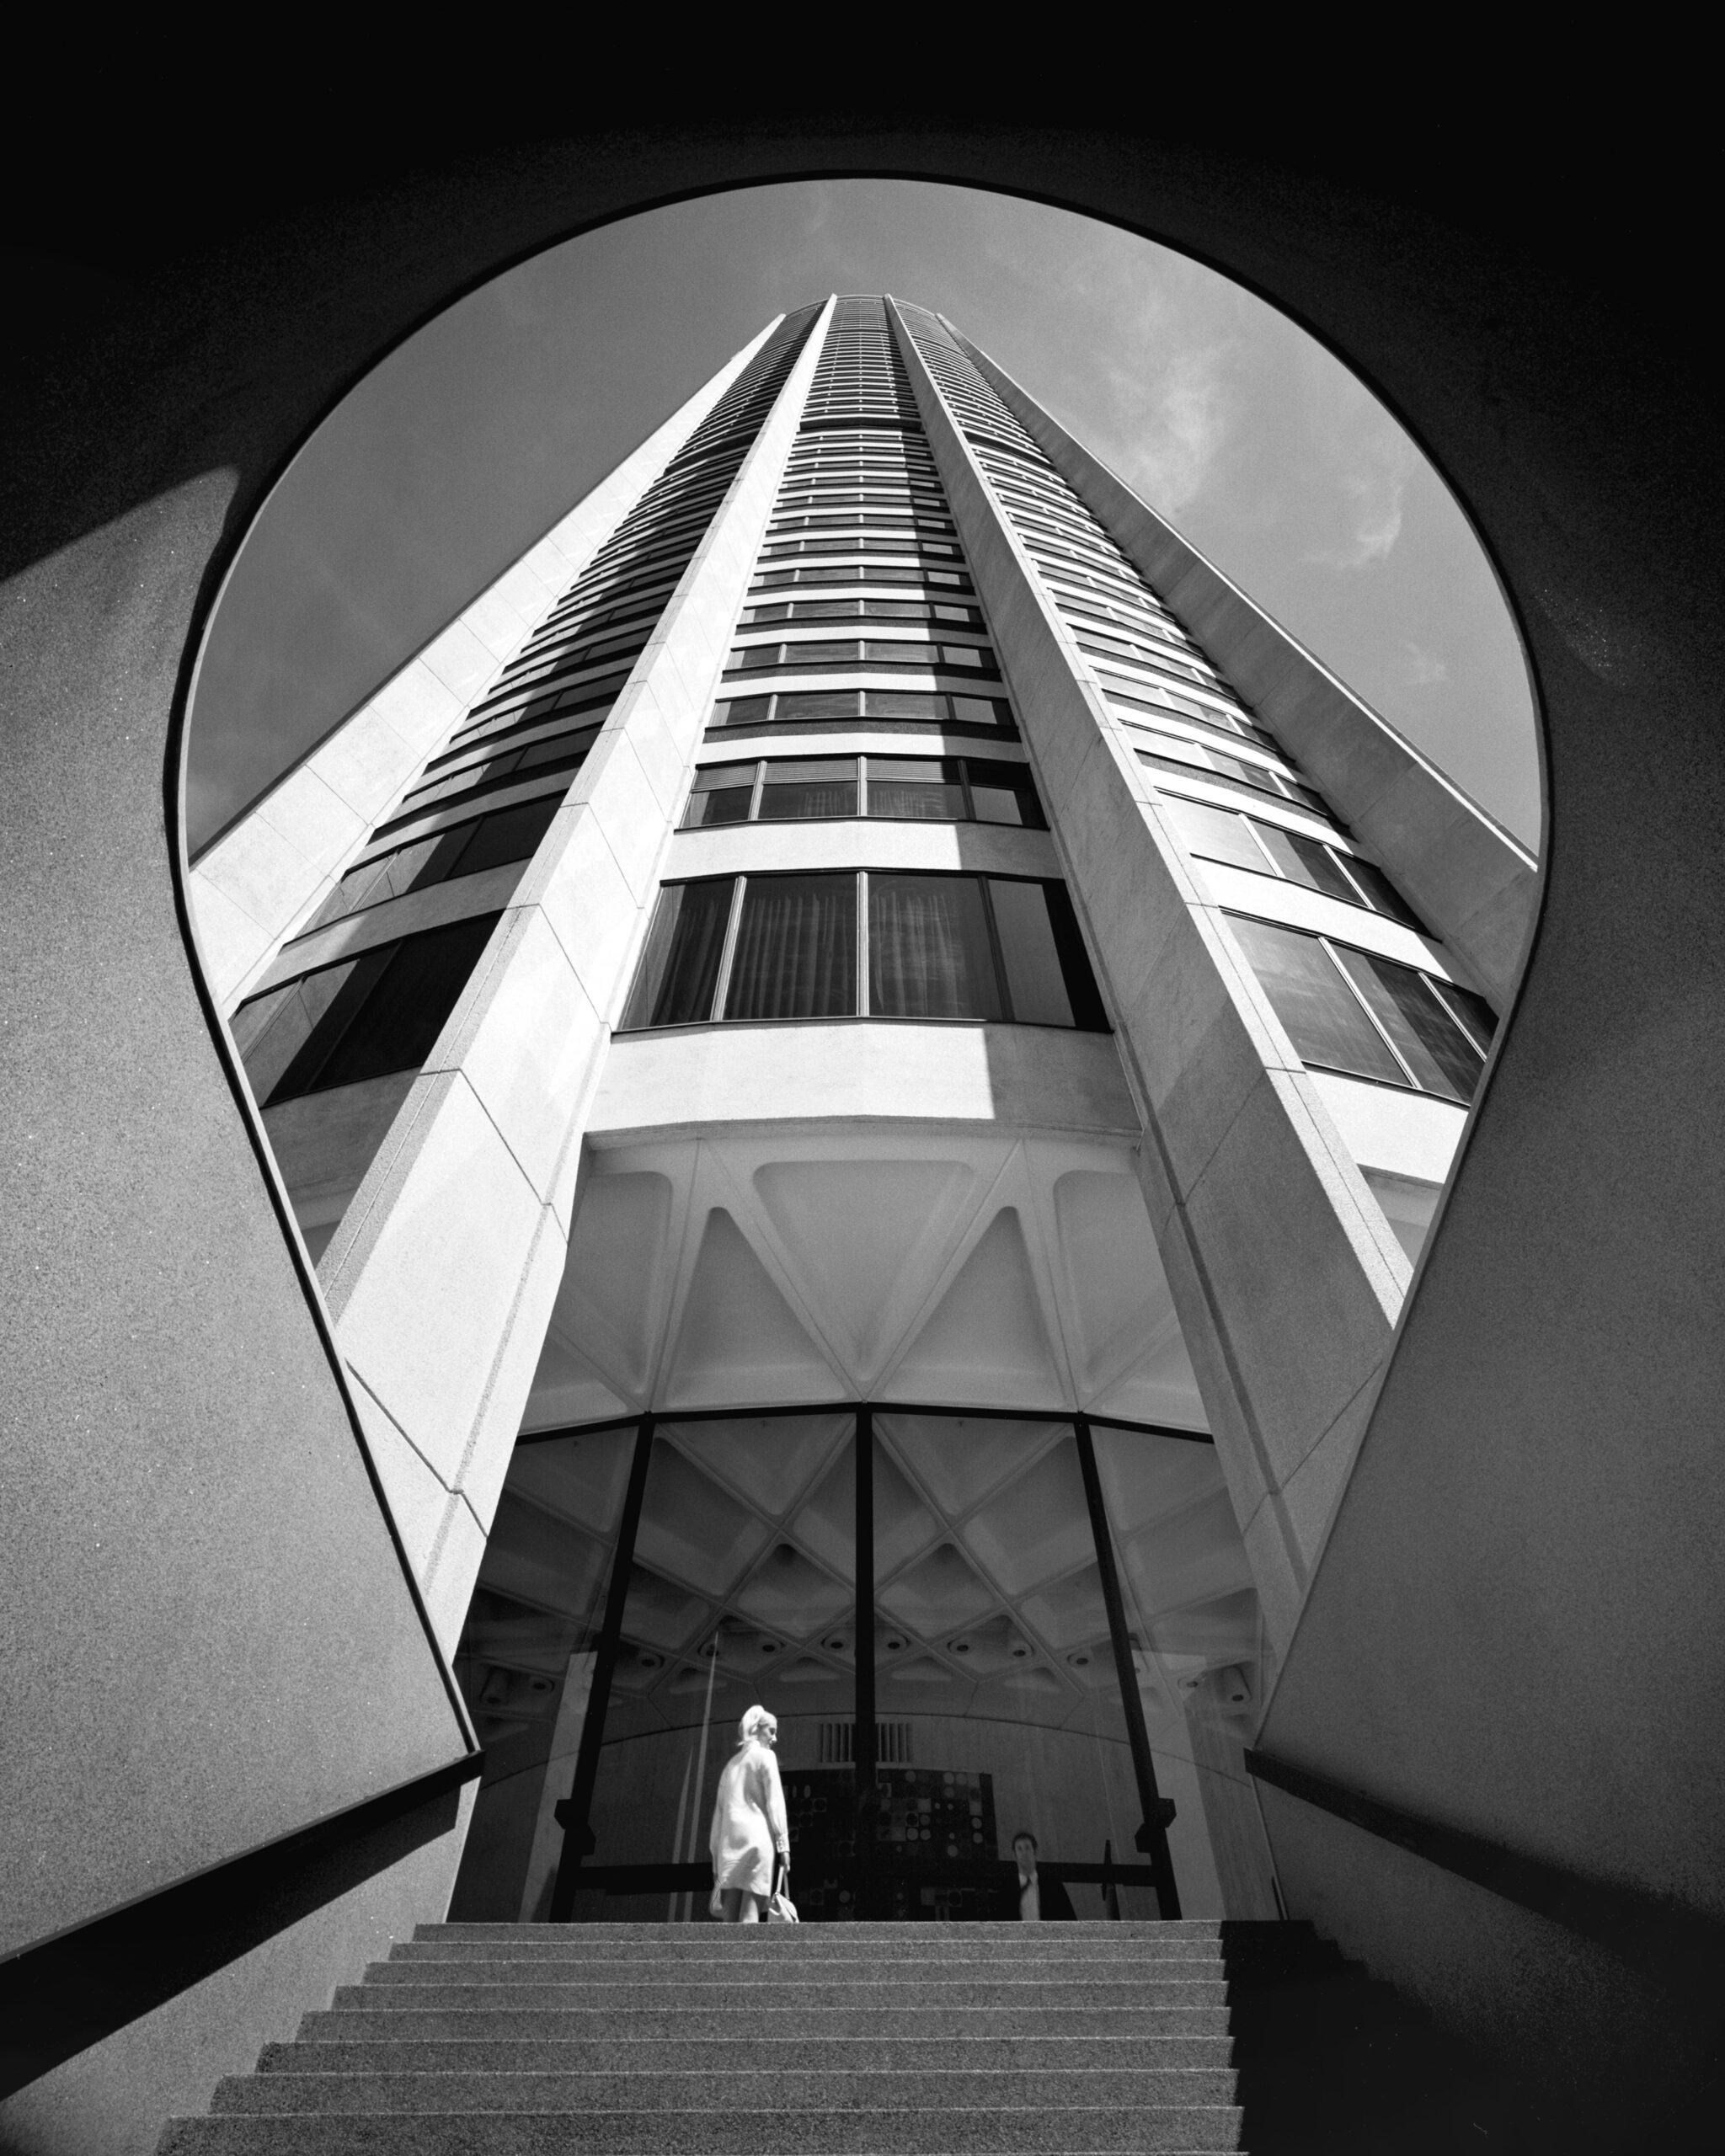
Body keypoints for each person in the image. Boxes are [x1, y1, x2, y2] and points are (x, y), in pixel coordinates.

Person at [708, 1704, 789, 1922]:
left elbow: (719, 1815)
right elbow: (775, 1802)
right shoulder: (766, 1757)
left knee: (730, 1917)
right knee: (750, 1914)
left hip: (729, 1845)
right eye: (771, 1731)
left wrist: (716, 1858)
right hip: (757, 1840)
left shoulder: (730, 1766)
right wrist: (783, 1847)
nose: (775, 1738)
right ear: (757, 1729)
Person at [1009, 1830, 1076, 1921]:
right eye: (1019, 1849)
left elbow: (1070, 1920)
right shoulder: (1007, 1891)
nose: (1024, 1853)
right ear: (1014, 1855)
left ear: (1035, 1852)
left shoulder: (1054, 1886)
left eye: (1027, 1848)